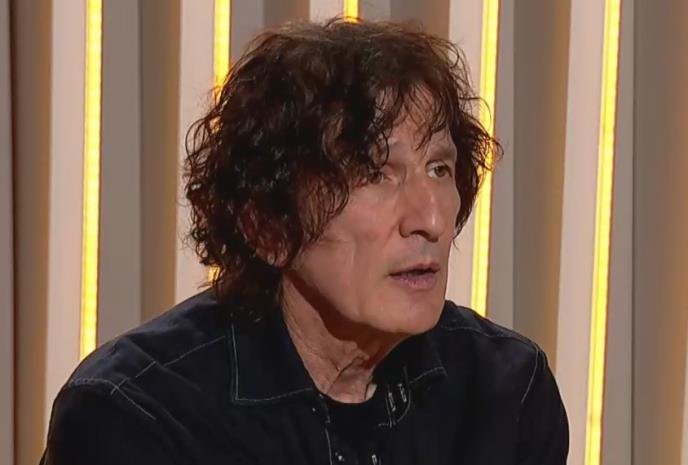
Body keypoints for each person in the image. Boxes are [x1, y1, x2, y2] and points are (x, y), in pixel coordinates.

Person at [41, 18, 568, 465]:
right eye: (376, 174)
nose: (431, 219)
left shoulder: (506, 394)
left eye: (439, 168)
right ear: (267, 225)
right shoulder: (137, 418)